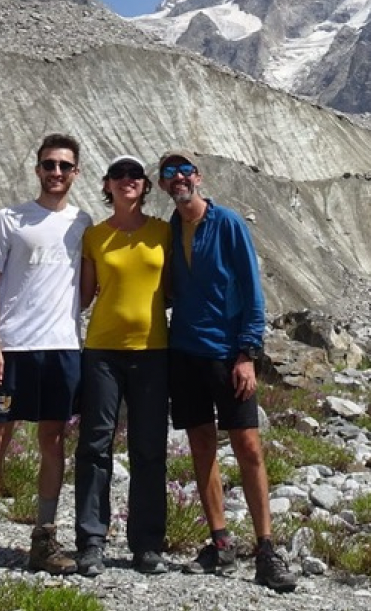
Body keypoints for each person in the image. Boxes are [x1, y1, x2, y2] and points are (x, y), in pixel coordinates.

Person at [0, 134, 92, 587]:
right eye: (49, 164)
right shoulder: (9, 219)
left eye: (64, 165)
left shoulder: (82, 223)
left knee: (53, 440)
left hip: (62, 347)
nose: (56, 172)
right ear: (37, 169)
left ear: (76, 172)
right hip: (12, 348)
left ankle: (43, 539)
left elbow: (87, 286)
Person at [157, 150, 297, 593]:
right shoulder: (169, 229)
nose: (179, 178)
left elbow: (253, 291)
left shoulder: (229, 223)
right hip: (185, 352)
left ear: (198, 177)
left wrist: (247, 353)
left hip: (227, 354)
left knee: (248, 447)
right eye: (170, 173)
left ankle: (266, 548)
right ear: (163, 184)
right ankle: (220, 541)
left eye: (185, 171)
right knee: (201, 446)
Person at [74, 155, 171, 577]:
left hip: (153, 351)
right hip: (102, 351)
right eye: (118, 175)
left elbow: (176, 287)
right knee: (95, 445)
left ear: (145, 186)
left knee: (149, 448)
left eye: (135, 175)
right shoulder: (95, 236)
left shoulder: (164, 232)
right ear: (107, 184)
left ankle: (147, 544)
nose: (127, 180)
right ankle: (91, 541)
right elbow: (84, 295)